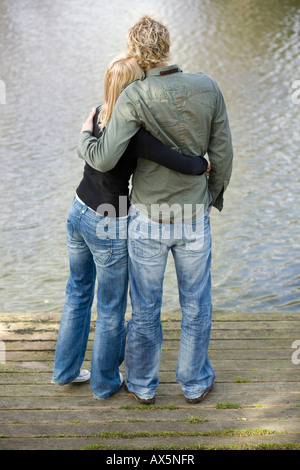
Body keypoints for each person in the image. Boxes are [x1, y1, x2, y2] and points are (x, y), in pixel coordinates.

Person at [78, 16, 233, 404]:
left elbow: (106, 157)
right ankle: (194, 382)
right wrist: (211, 196)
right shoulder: (208, 87)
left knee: (145, 308)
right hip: (193, 216)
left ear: (135, 50)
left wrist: (84, 136)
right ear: (167, 45)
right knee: (197, 304)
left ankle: (144, 385)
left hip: (148, 218)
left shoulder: (134, 96)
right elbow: (223, 154)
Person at [51, 52, 208, 400]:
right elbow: (179, 162)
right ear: (136, 87)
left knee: (77, 293)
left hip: (78, 210)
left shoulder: (96, 112)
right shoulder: (136, 130)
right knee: (110, 308)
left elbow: (90, 148)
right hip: (110, 219)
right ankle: (105, 383)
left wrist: (83, 137)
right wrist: (201, 165)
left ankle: (65, 370)